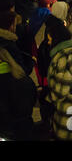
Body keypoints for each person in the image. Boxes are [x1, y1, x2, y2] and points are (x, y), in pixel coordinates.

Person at [45, 15, 72, 141]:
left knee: (65, 137)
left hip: (66, 108)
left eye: (50, 38)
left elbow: (61, 90)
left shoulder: (62, 57)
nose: (48, 41)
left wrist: (47, 98)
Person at [0, 11, 36, 140]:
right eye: (15, 24)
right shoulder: (9, 45)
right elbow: (21, 72)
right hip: (13, 110)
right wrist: (31, 62)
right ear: (10, 26)